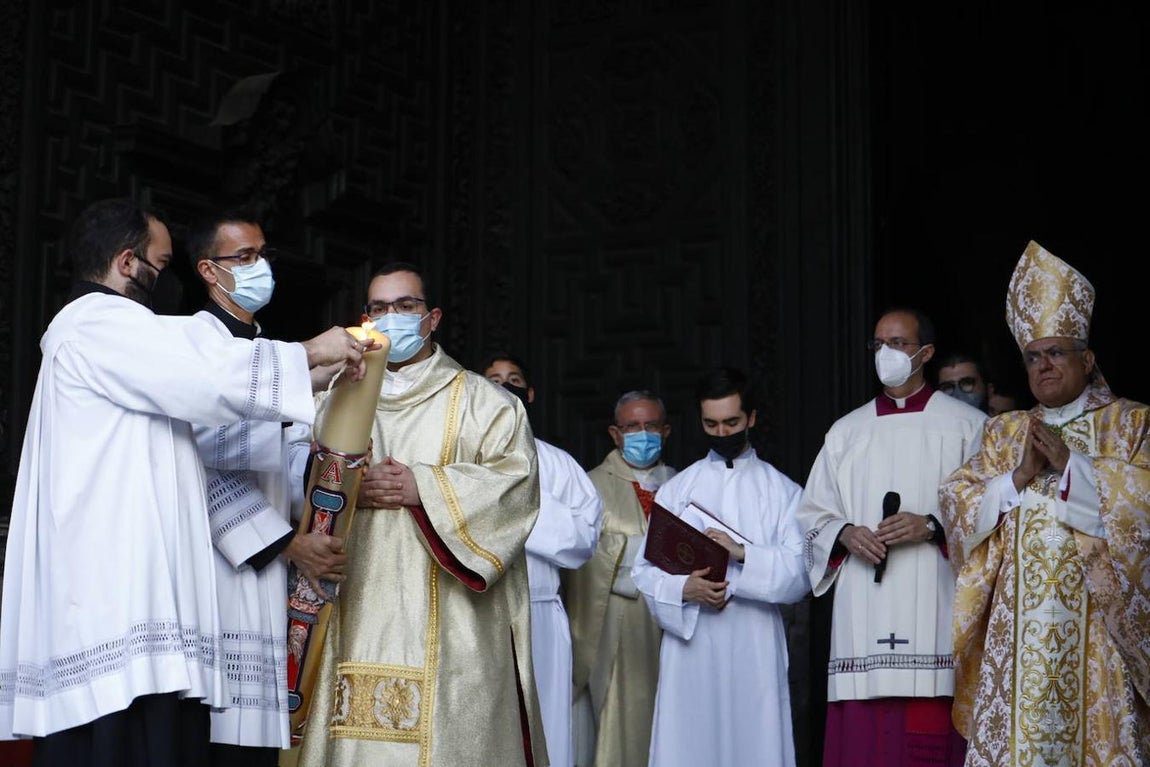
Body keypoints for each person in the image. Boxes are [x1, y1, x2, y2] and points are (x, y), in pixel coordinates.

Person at [0, 198, 366, 766]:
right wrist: (313, 350)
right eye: (162, 264)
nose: (167, 281)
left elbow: (203, 388)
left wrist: (309, 378)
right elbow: (206, 375)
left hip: (126, 602)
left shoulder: (105, 331)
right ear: (127, 262)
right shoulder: (100, 323)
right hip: (117, 601)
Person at [295, 262, 546, 767]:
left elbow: (516, 489)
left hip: (454, 624)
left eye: (406, 306)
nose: (392, 317)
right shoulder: (330, 396)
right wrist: (347, 489)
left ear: (432, 318)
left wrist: (423, 487)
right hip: (356, 606)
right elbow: (290, 475)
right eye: (379, 308)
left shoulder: (487, 403)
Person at [939, 241, 1150, 765]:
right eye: (1033, 357)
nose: (1043, 366)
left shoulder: (1131, 423)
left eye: (1056, 352)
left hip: (1098, 631)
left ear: (1087, 359)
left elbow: (1143, 506)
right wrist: (1018, 476)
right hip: (1019, 636)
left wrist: (1074, 467)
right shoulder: (1004, 431)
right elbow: (957, 503)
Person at [184, 209, 349, 766]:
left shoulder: (269, 355)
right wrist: (288, 544)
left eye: (262, 255)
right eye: (245, 257)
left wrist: (338, 470)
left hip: (268, 574)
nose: (261, 267)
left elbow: (288, 456)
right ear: (209, 270)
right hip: (215, 569)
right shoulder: (192, 348)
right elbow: (195, 467)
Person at [796, 306, 986, 767]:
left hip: (936, 599)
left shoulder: (967, 426)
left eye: (898, 343)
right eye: (878, 344)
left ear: (926, 352)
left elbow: (992, 508)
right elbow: (812, 513)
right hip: (864, 609)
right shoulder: (846, 432)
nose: (886, 353)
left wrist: (934, 526)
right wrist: (844, 533)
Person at [631, 367, 809, 767]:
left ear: (751, 418)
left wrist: (742, 553)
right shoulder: (677, 490)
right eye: (711, 424)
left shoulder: (783, 492)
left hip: (754, 640)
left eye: (731, 422)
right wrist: (682, 590)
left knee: (755, 741)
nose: (721, 432)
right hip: (692, 645)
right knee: (690, 743)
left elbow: (800, 573)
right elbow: (644, 570)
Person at [482, 352, 604, 767]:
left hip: (540, 614)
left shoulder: (558, 464)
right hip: (477, 611)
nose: (504, 387)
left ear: (530, 394)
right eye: (493, 380)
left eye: (514, 380)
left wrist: (514, 505)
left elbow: (583, 540)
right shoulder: (460, 458)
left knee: (545, 727)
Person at [565, 390, 676, 767]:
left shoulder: (682, 483)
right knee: (622, 721)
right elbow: (581, 552)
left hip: (676, 624)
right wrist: (650, 550)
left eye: (651, 426)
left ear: (666, 431)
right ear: (615, 433)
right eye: (632, 427)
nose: (642, 434)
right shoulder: (589, 485)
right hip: (619, 623)